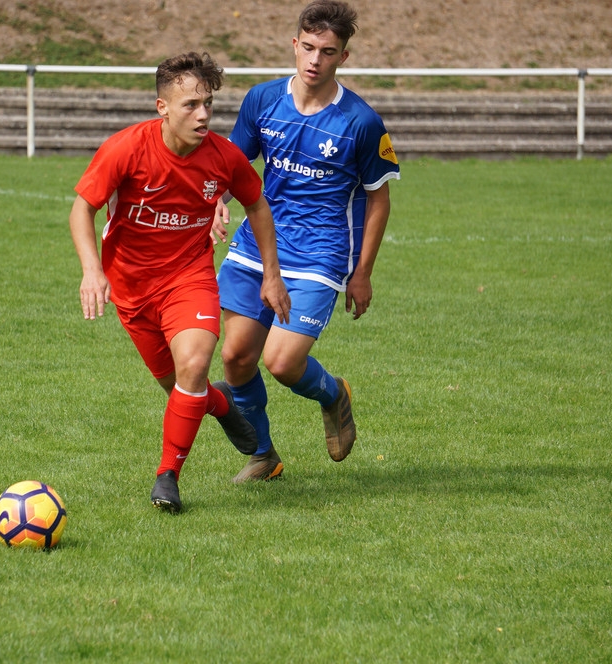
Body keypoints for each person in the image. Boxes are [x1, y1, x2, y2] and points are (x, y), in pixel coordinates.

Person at [69, 52, 291, 513]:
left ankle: (167, 477)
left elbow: (258, 205)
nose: (204, 114)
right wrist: (92, 270)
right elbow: (82, 209)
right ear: (162, 107)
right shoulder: (125, 149)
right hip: (131, 291)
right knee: (181, 391)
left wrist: (272, 275)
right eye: (190, 104)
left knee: (193, 367)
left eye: (208, 103)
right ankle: (224, 406)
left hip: (189, 280)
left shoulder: (224, 157)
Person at [216, 0, 400, 482]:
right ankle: (263, 456)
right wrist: (216, 201)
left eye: (329, 51)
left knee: (280, 361)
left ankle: (333, 394)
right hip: (258, 245)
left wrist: (362, 273)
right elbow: (232, 167)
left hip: (320, 253)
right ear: (295, 45)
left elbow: (378, 202)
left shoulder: (361, 121)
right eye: (310, 47)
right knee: (235, 358)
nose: (316, 59)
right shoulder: (262, 99)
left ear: (344, 57)